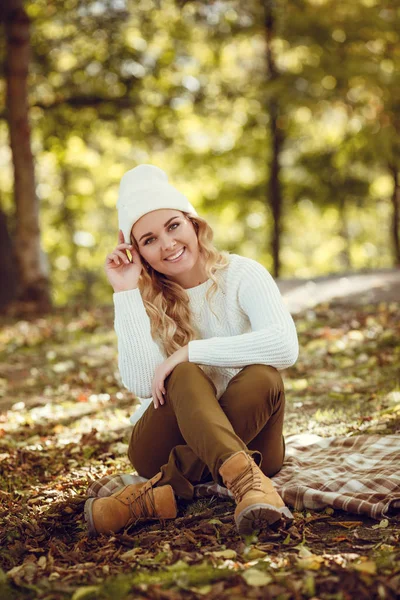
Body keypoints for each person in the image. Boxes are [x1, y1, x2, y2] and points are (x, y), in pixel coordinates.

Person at [84, 164, 299, 537]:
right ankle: (248, 483)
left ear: (193, 223)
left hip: (253, 435)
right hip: (163, 442)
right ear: (139, 252)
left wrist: (191, 351)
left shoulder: (243, 274)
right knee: (182, 374)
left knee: (264, 376)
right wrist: (125, 292)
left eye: (173, 226)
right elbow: (140, 383)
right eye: (149, 240)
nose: (167, 244)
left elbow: (284, 345)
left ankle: (159, 495)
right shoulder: (143, 299)